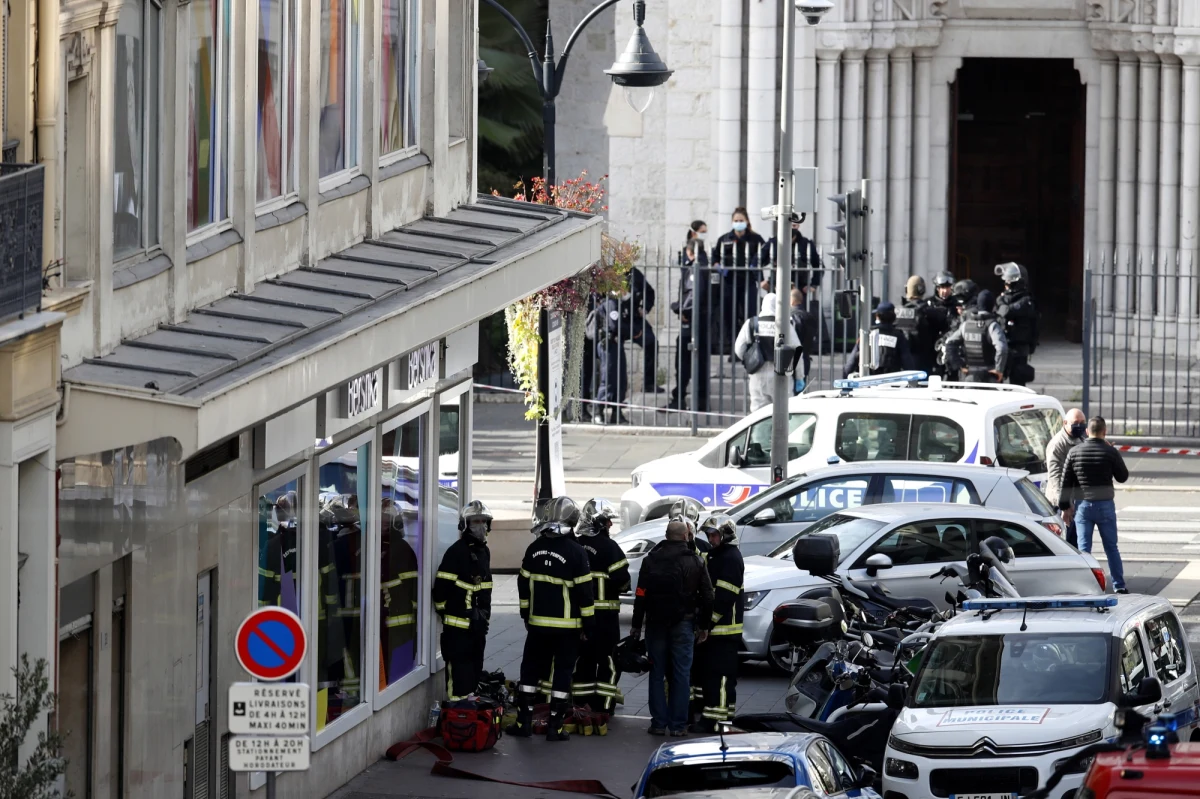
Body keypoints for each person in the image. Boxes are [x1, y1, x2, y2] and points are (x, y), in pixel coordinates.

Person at [510, 497, 595, 741]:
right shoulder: (577, 553)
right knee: (562, 674)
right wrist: (588, 626)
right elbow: (585, 595)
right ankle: (555, 728)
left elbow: (523, 584)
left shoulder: (534, 548)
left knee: (530, 672)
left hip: (537, 626)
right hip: (567, 629)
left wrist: (526, 614)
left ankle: (524, 723)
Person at [630, 520, 714, 737]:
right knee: (681, 674)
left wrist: (636, 625)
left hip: (656, 624)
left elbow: (640, 593)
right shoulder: (695, 561)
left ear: (666, 536)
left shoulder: (651, 560)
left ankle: (658, 723)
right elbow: (708, 595)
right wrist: (704, 626)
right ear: (686, 536)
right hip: (684, 624)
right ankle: (678, 726)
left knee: (656, 673)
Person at [571, 499, 630, 736]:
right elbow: (623, 581)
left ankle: (582, 705)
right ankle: (604, 707)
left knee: (583, 661)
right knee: (607, 661)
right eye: (607, 521)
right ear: (597, 523)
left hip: (579, 618)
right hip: (605, 618)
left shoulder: (574, 546)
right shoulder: (609, 547)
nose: (610, 525)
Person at [1058, 417, 1130, 593]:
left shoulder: (1075, 452)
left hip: (1083, 506)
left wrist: (1064, 506)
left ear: (1087, 432)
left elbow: (1065, 481)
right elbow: (1123, 476)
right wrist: (1111, 452)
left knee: (1084, 549)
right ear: (1104, 432)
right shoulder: (1110, 452)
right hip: (1105, 505)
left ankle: (1087, 587)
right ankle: (1119, 586)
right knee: (1111, 547)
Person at [433, 500, 494, 700]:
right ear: (465, 524)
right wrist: (451, 614)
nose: (481, 526)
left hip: (477, 627)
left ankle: (469, 718)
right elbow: (440, 592)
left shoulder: (484, 552)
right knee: (458, 678)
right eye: (476, 521)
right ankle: (455, 718)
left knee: (474, 673)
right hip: (457, 630)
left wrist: (484, 617)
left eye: (484, 521)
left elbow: (484, 590)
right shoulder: (456, 553)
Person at [691, 514, 745, 733]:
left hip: (724, 630)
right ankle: (711, 715)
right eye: (708, 535)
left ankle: (718, 721)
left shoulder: (731, 558)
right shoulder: (716, 556)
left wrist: (706, 625)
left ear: (725, 535)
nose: (710, 539)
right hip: (715, 630)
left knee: (721, 677)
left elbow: (723, 599)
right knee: (710, 676)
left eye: (713, 535)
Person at [712, 208, 769, 355]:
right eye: (736, 221)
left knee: (749, 314)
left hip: (748, 281)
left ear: (747, 221)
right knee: (730, 315)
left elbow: (767, 254)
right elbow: (715, 260)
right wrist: (721, 269)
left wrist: (756, 266)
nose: (738, 223)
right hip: (729, 282)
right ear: (732, 222)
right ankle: (733, 348)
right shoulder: (724, 239)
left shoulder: (755, 239)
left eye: (741, 221)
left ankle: (750, 347)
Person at [670, 221, 713, 412]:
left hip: (694, 320)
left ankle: (680, 398)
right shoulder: (702, 264)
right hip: (699, 318)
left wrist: (680, 309)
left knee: (685, 361)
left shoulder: (696, 268)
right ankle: (698, 401)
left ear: (690, 253)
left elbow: (694, 295)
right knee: (698, 361)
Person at [734, 292, 801, 411]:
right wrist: (799, 376)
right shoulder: (785, 325)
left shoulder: (752, 323)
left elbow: (739, 349)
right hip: (781, 374)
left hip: (758, 374)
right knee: (785, 413)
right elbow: (797, 350)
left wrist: (750, 360)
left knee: (758, 413)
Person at [941, 289, 1007, 383]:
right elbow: (1002, 348)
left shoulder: (965, 325)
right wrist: (999, 369)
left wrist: (959, 365)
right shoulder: (992, 325)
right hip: (989, 376)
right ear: (992, 306)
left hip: (969, 376)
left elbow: (949, 343)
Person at [1045, 408, 1088, 544]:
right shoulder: (1058, 444)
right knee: (1064, 543)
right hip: (1063, 503)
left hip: (1076, 500)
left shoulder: (1080, 438)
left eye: (1083, 422)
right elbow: (1055, 476)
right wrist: (1064, 505)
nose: (1080, 425)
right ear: (1065, 423)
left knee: (1076, 542)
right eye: (1076, 422)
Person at [842, 302, 915, 378]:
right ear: (894, 317)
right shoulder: (899, 336)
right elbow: (907, 363)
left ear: (877, 316)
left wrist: (844, 380)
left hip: (868, 381)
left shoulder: (867, 334)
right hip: (891, 383)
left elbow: (850, 364)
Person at [994, 262, 1039, 386]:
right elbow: (997, 313)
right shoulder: (1001, 299)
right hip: (1003, 346)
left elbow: (1007, 311)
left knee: (1018, 383)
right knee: (997, 381)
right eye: (1006, 283)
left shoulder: (1026, 301)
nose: (1006, 286)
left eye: (1009, 283)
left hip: (1019, 348)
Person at [763, 212, 823, 299]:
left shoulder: (806, 244)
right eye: (789, 225)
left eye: (794, 225)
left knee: (798, 311)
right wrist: (761, 280)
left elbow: (819, 265)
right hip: (776, 285)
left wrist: (814, 284)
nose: (791, 228)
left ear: (798, 226)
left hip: (800, 287)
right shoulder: (773, 243)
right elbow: (756, 262)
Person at [593, 290, 630, 426]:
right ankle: (598, 412)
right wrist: (628, 328)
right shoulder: (611, 304)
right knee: (608, 378)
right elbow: (615, 325)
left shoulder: (618, 303)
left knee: (620, 380)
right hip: (608, 345)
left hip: (616, 344)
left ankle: (616, 413)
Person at [624, 266, 661, 396]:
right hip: (616, 319)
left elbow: (649, 291)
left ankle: (649, 384)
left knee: (652, 343)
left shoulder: (633, 273)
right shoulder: (610, 273)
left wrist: (644, 308)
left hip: (634, 319)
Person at [895, 275, 938, 373]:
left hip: (900, 364)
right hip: (922, 363)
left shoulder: (896, 311)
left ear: (907, 289)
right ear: (921, 290)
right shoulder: (927, 311)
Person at [789, 288, 815, 393]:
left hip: (793, 358)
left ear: (792, 300)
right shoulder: (810, 316)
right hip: (806, 358)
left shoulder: (791, 316)